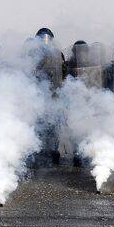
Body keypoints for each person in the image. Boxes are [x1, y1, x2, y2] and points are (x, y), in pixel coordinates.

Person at [30, 28, 66, 166]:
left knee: (40, 128)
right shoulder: (58, 54)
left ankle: (41, 156)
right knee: (53, 127)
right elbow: (64, 73)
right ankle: (53, 156)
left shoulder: (34, 54)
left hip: (40, 97)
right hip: (55, 97)